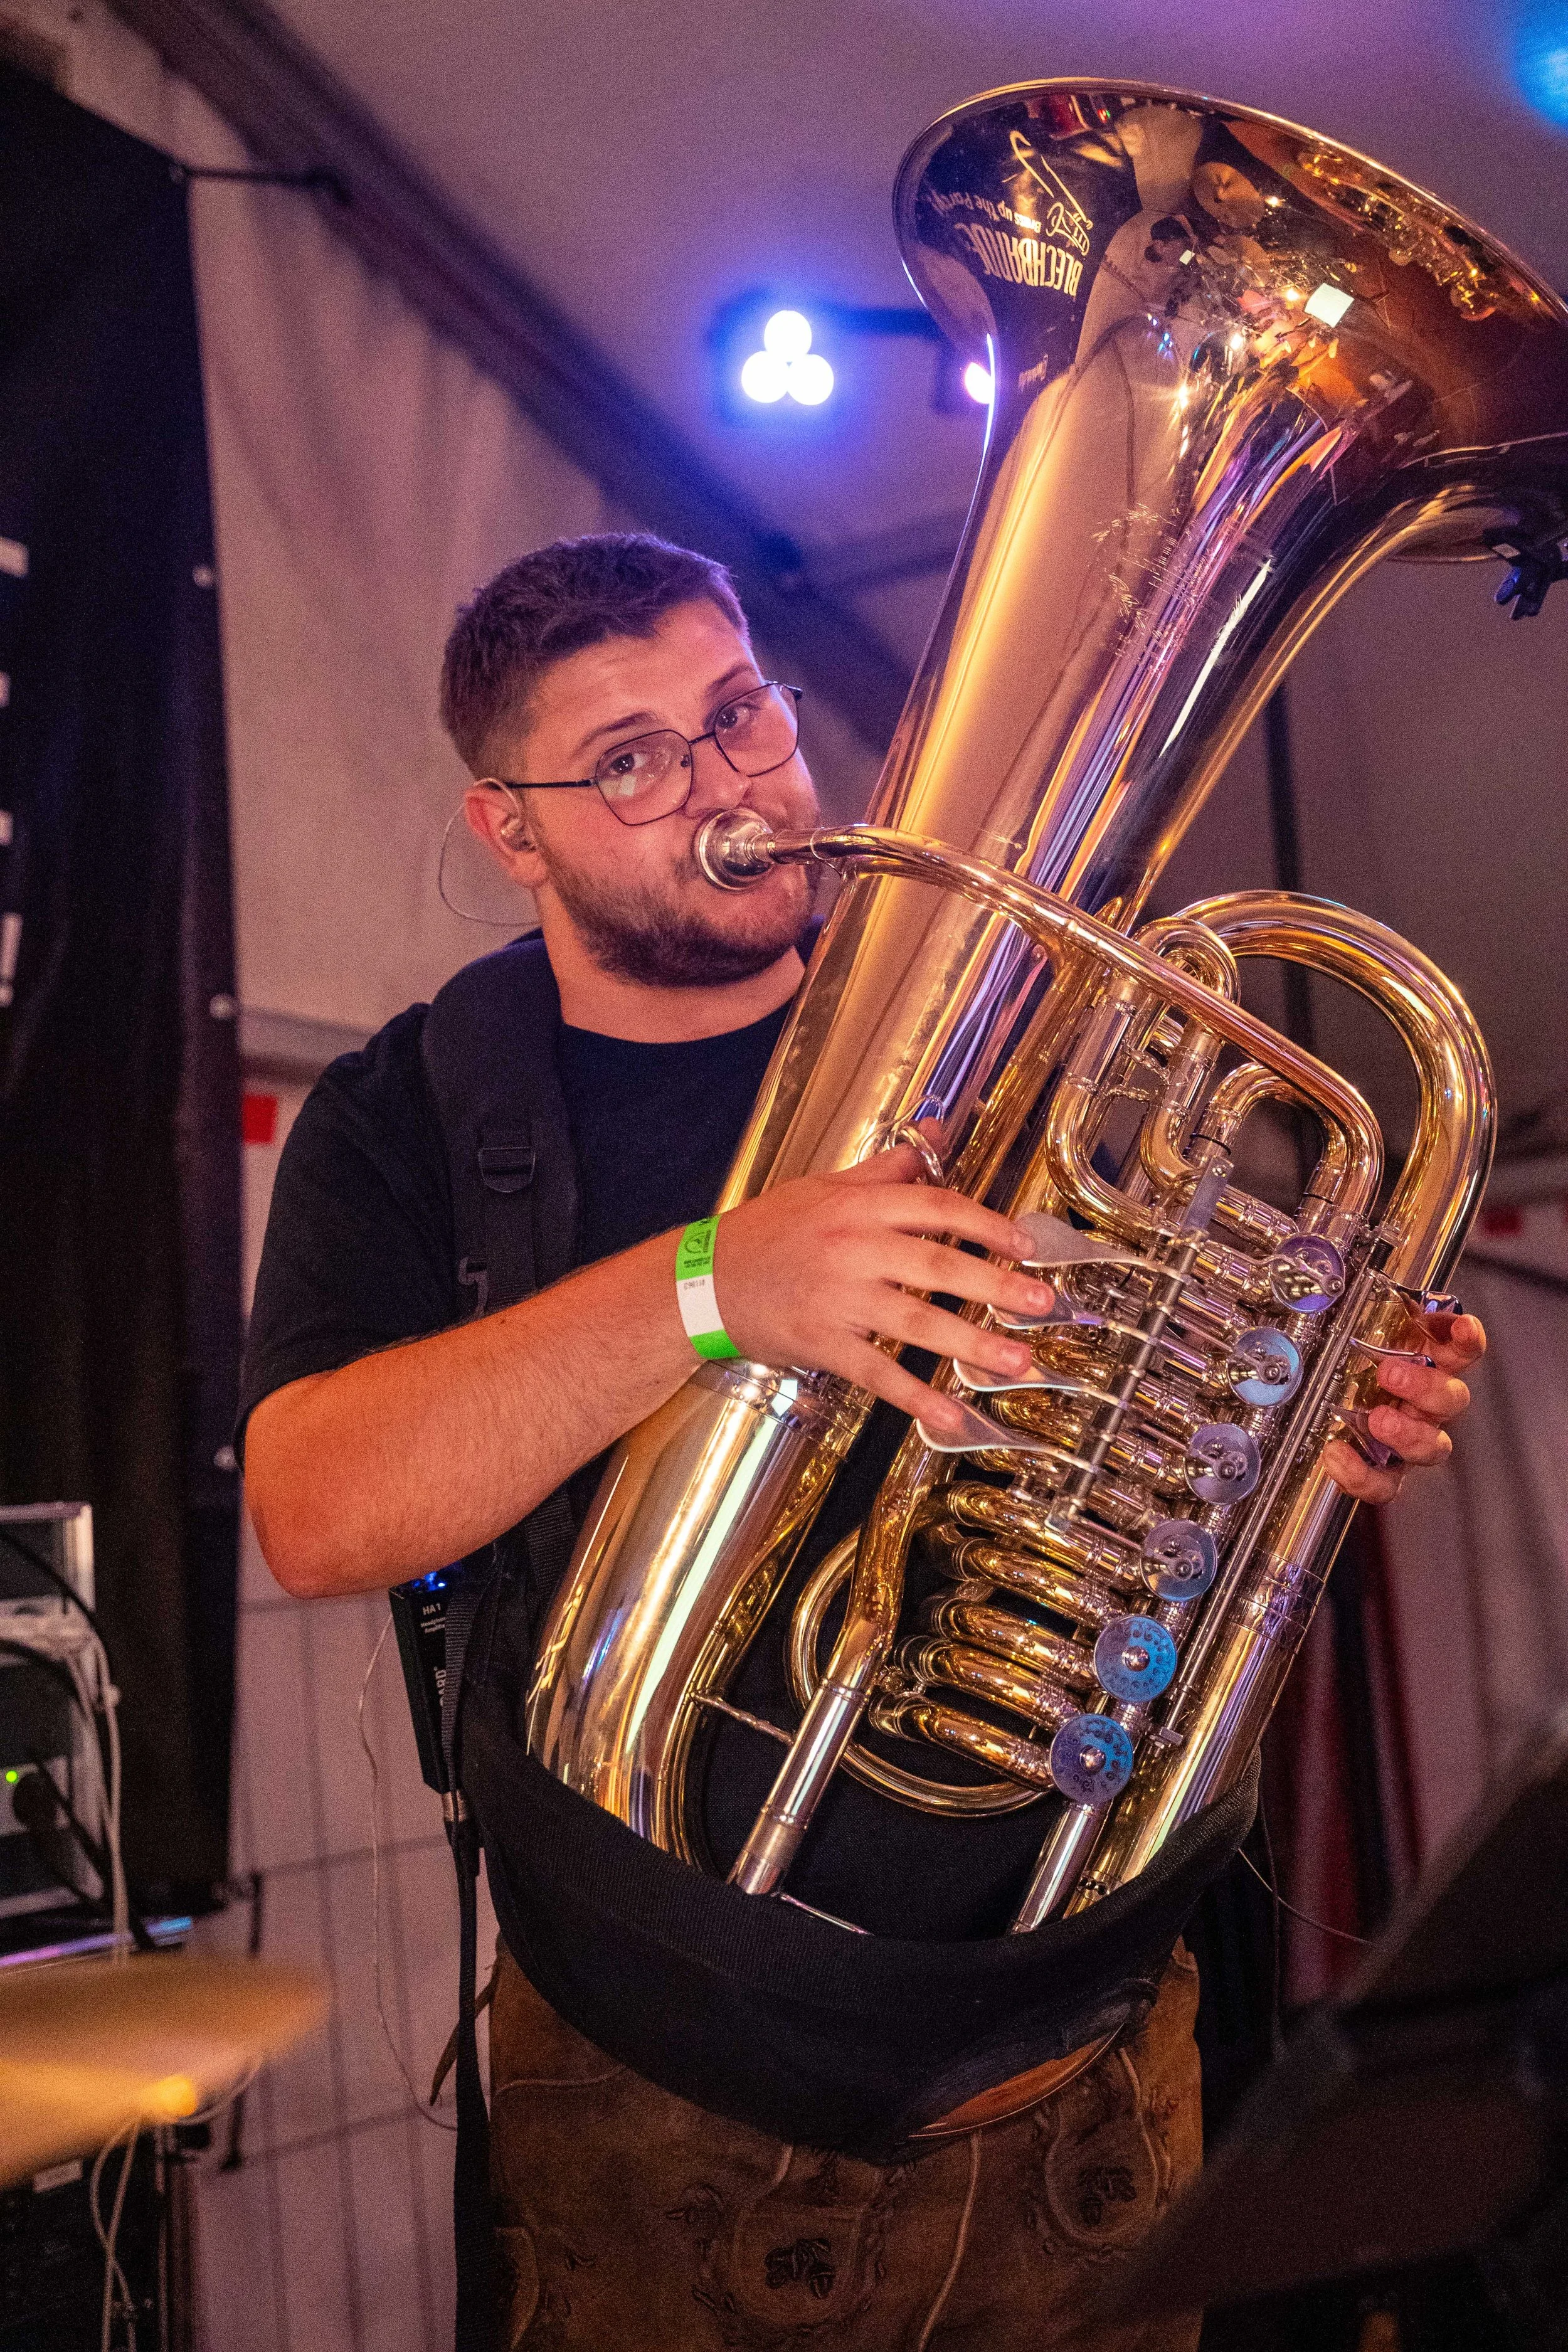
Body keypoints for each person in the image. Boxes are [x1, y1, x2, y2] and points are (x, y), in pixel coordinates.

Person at [240, 532, 1484, 2350]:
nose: (724, 783)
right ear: (511, 831)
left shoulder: (1021, 1033)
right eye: (631, 762)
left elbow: (1124, 1435)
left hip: (1069, 2030)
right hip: (674, 2062)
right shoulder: (413, 1119)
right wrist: (711, 1283)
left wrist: (1301, 1419)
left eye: (735, 712)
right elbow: (314, 1509)